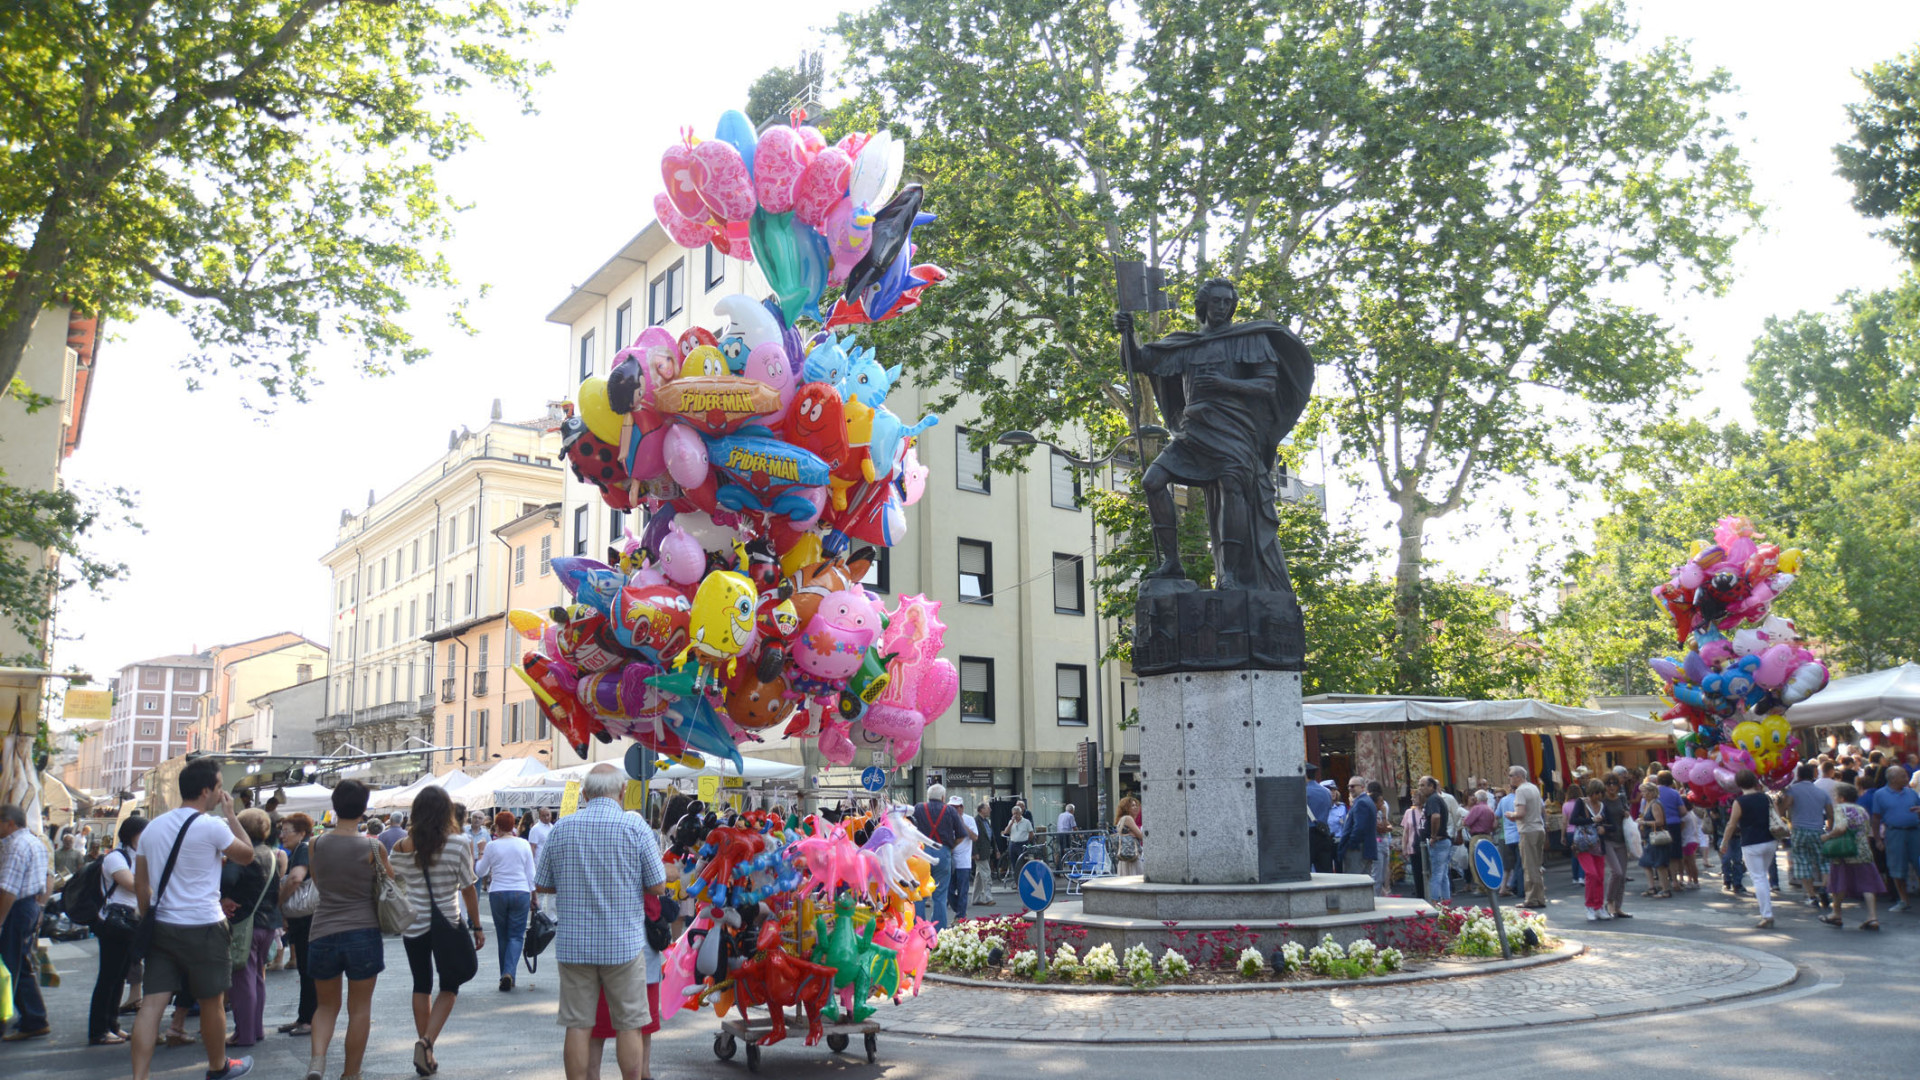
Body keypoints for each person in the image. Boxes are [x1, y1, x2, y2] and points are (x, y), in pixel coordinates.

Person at [534, 764, 668, 1080]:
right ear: (622, 792)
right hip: (623, 944)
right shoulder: (635, 829)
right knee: (629, 1023)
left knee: (578, 1023)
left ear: (584, 794)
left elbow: (542, 884)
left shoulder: (562, 828)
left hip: (574, 945)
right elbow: (658, 885)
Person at [128, 758, 257, 1080]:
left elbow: (141, 885)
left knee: (152, 1004)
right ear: (205, 791)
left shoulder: (151, 828)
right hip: (204, 926)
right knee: (211, 1001)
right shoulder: (211, 825)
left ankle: (139, 1076)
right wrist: (231, 816)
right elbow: (248, 854)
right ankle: (218, 1067)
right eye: (218, 787)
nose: (221, 793)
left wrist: (149, 918)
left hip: (162, 926)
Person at [305, 779, 395, 1080]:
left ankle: (317, 1061)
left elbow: (318, 883)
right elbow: (390, 886)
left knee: (326, 1006)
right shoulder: (374, 846)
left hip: (323, 929)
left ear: (334, 806)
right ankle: (350, 1073)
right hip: (363, 930)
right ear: (364, 809)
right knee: (359, 1009)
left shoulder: (316, 844)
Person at [392, 785, 481, 1076]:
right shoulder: (458, 843)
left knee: (421, 984)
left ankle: (425, 1050)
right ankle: (427, 1042)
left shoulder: (402, 846)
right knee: (450, 985)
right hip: (448, 922)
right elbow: (468, 888)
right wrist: (477, 926)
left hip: (413, 924)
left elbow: (396, 881)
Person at [88, 815, 148, 1046]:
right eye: (143, 834)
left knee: (120, 976)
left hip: (131, 923)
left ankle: (112, 1025)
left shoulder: (138, 856)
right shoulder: (116, 857)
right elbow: (132, 884)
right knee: (108, 977)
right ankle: (98, 1030)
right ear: (131, 834)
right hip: (113, 923)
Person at [224, 808, 281, 1049]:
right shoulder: (271, 853)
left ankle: (244, 1033)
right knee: (257, 977)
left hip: (245, 922)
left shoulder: (243, 855)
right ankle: (255, 1029)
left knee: (242, 979)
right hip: (268, 922)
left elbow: (226, 881)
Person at [0, 803, 52, 1045]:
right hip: (29, 906)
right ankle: (35, 1018)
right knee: (20, 962)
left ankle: (21, 1020)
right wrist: (39, 908)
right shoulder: (34, 842)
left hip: (17, 908)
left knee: (9, 966)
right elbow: (46, 879)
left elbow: (8, 890)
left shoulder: (16, 846)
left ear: (10, 823)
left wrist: (0, 921)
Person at [476, 810, 536, 991]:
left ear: (498, 826)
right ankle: (509, 973)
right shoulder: (524, 844)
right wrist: (534, 896)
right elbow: (530, 872)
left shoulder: (492, 846)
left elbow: (480, 872)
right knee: (516, 935)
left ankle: (505, 974)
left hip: (498, 892)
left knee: (503, 936)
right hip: (521, 891)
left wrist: (480, 852)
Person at [275, 814, 318, 1038]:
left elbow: (295, 879)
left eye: (287, 830)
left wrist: (279, 904)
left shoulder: (303, 849)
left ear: (302, 832)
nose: (282, 834)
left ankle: (309, 1020)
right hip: (305, 918)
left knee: (308, 969)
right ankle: (304, 1017)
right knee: (304, 968)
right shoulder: (300, 849)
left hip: (307, 919)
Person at [1821, 782, 1885, 931]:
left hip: (1844, 851)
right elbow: (1866, 830)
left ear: (1842, 798)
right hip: (1862, 850)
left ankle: (1836, 913)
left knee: (1840, 881)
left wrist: (1827, 836)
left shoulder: (1840, 809)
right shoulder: (1862, 810)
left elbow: (1840, 828)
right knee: (1868, 884)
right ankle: (1872, 917)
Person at [1720, 770, 1778, 929]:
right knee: (1763, 876)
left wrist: (1724, 842)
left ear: (1738, 784)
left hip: (1751, 842)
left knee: (1758, 878)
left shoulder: (1739, 801)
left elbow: (1731, 824)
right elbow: (1777, 815)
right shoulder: (1766, 797)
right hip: (1769, 840)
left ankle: (1767, 914)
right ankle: (1767, 912)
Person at [1780, 763, 1834, 912]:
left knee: (1803, 863)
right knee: (1823, 862)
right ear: (1813, 776)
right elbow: (1830, 813)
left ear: (1798, 776)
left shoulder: (1793, 790)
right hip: (1818, 830)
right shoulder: (1821, 793)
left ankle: (1811, 896)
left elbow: (1785, 807)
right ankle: (1824, 888)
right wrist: (1830, 827)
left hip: (1799, 830)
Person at [910, 784, 963, 931]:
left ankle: (919, 929)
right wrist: (949, 848)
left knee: (919, 893)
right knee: (940, 896)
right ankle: (938, 931)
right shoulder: (950, 811)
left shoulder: (919, 808)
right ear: (943, 797)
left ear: (928, 796)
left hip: (921, 855)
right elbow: (961, 835)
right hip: (943, 853)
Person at [1868, 765, 1918, 913]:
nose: (1907, 778)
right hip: (1895, 833)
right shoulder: (1880, 794)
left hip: (1915, 832)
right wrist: (1877, 839)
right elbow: (1876, 818)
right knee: (1897, 868)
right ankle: (1903, 900)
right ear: (1893, 779)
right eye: (1903, 776)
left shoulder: (1911, 793)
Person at [1568, 780, 1612, 921]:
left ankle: (1599, 906)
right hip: (1584, 844)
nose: (1598, 796)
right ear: (1591, 792)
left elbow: (1611, 824)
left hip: (1598, 844)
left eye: (1600, 793)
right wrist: (1592, 819)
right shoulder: (1581, 803)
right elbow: (1573, 820)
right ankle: (1590, 906)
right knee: (1591, 874)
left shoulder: (1603, 806)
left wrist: (1605, 828)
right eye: (1596, 793)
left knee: (1599, 876)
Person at [1505, 765, 1547, 908]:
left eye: (1510, 775)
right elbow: (1542, 809)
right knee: (1537, 865)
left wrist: (1511, 815)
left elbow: (1521, 813)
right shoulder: (1533, 788)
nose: (1509, 778)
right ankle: (1540, 897)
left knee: (1529, 866)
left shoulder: (1521, 791)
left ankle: (1531, 899)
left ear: (1518, 776)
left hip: (1528, 830)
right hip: (1538, 828)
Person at [1636, 780, 1675, 899]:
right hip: (1648, 837)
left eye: (1645, 792)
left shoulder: (1655, 804)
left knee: (1660, 864)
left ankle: (1665, 889)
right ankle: (1652, 887)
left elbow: (1660, 822)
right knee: (1646, 863)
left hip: (1656, 837)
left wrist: (1644, 822)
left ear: (1652, 792)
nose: (1643, 794)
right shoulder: (1648, 803)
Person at [1337, 778, 1378, 886]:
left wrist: (1350, 844)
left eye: (1353, 786)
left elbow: (1359, 827)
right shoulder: (1366, 801)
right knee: (1364, 882)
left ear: (1362, 787)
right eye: (1349, 786)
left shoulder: (1361, 803)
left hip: (1358, 850)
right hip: (1364, 849)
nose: (1350, 789)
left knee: (1354, 882)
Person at [1417, 776, 1451, 901]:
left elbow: (1435, 817)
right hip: (1443, 841)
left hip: (1439, 841)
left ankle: (1435, 903)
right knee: (1442, 874)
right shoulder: (1435, 799)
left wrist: (1433, 836)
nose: (1420, 788)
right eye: (1419, 785)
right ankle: (1446, 902)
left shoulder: (1433, 799)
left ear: (1431, 787)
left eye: (1423, 785)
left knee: (1436, 874)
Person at [947, 795, 977, 920]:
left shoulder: (969, 819)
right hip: (950, 860)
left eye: (956, 807)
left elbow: (975, 837)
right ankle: (959, 910)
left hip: (964, 862)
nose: (953, 810)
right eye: (951, 807)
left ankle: (960, 917)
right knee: (948, 891)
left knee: (962, 891)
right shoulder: (947, 820)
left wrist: (962, 824)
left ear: (961, 808)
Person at [1461, 791, 1496, 895]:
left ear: (1477, 798)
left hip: (1477, 837)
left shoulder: (1476, 809)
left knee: (1475, 862)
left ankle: (1481, 886)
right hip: (1488, 836)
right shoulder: (1489, 809)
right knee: (1487, 862)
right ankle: (1487, 885)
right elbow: (1494, 825)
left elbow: (1466, 822)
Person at [1305, 763, 1334, 873]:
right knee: (1326, 871)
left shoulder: (1303, 792)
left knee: (1305, 871)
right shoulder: (1326, 792)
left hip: (1308, 834)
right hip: (1324, 832)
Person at [1494, 782, 1520, 896]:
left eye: (1499, 797)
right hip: (1517, 835)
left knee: (1508, 865)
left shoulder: (1503, 802)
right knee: (1515, 864)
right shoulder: (1519, 799)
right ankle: (1509, 887)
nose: (1497, 799)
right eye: (1496, 797)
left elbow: (1496, 816)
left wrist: (1497, 825)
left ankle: (1504, 887)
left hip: (1505, 836)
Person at [971, 803, 997, 904]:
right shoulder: (976, 821)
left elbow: (991, 836)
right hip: (980, 852)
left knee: (979, 875)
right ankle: (988, 897)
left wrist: (996, 850)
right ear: (981, 810)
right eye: (987, 808)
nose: (990, 809)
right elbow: (973, 838)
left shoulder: (986, 821)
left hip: (986, 851)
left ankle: (976, 899)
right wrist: (975, 852)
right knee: (986, 874)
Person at [1113, 797, 1144, 878]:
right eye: (1132, 805)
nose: (1136, 807)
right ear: (1126, 808)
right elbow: (1141, 836)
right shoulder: (1128, 818)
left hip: (1125, 857)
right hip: (1132, 856)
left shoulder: (1122, 819)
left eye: (1136, 805)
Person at [1001, 805, 1033, 882]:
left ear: (1021, 813)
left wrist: (1027, 841)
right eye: (1014, 813)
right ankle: (1016, 882)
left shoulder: (1026, 822)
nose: (1015, 815)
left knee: (1023, 863)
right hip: (1013, 844)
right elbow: (1006, 832)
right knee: (1014, 863)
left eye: (1017, 813)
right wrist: (1011, 823)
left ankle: (1024, 881)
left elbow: (1031, 833)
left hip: (1022, 844)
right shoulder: (1011, 822)